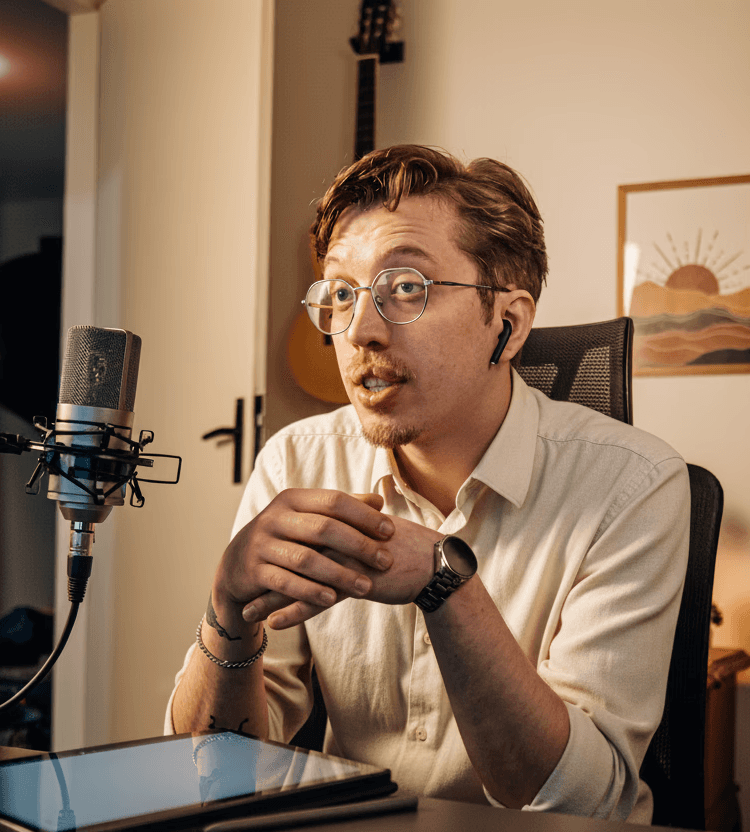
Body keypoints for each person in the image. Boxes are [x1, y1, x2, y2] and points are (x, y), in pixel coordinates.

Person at [167, 145, 690, 823]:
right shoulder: (295, 462)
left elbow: (582, 799)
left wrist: (446, 583)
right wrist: (228, 619)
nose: (358, 331)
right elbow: (208, 779)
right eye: (342, 294)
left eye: (406, 286)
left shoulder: (635, 485)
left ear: (507, 322)